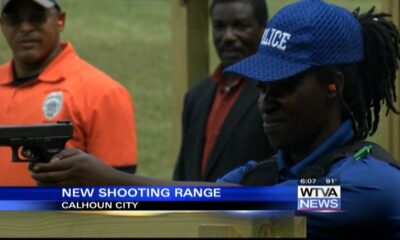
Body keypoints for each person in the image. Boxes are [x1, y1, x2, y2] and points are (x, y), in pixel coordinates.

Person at [31, 0, 400, 238]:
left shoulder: (370, 184)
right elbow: (185, 206)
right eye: (262, 88)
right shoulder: (256, 175)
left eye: (282, 88)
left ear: (332, 86)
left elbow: (256, 203)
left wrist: (106, 179)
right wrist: (75, 192)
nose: (265, 103)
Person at [0, 0, 138, 186]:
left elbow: (118, 189)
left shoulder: (103, 92)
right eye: (14, 20)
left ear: (60, 20)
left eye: (37, 17)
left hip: (59, 215)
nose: (25, 27)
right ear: (2, 24)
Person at [174, 0, 274, 182]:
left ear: (265, 31)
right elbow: (182, 173)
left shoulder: (276, 94)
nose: (228, 36)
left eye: (241, 26)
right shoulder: (197, 96)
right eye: (219, 27)